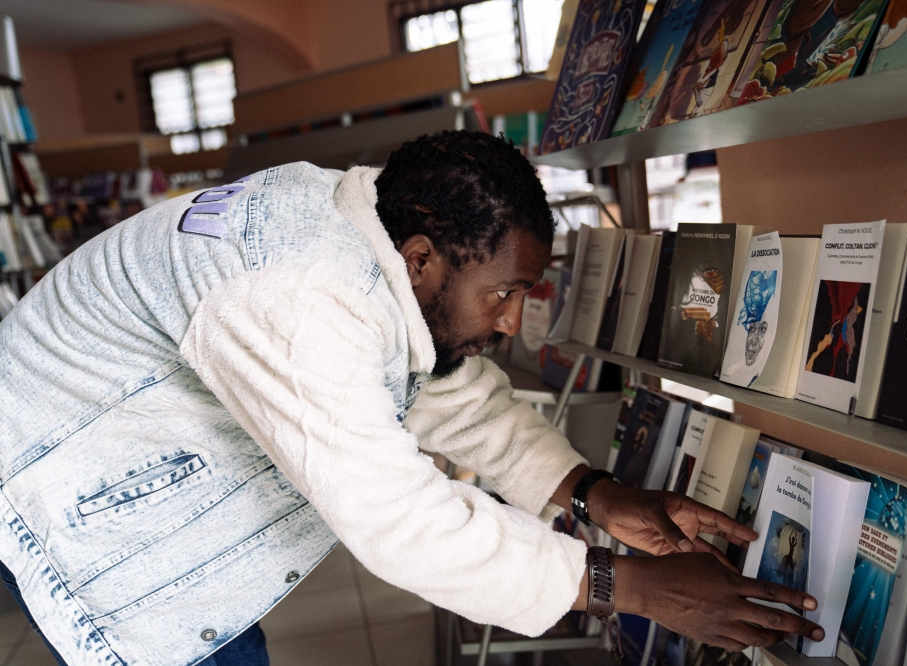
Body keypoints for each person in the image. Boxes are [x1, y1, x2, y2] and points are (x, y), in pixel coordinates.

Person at [0, 130, 823, 666]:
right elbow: (397, 519)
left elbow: (440, 389)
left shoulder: (373, 231)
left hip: (126, 472)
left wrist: (594, 495)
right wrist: (630, 588)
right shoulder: (303, 293)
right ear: (425, 260)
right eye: (506, 293)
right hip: (64, 492)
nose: (511, 320)